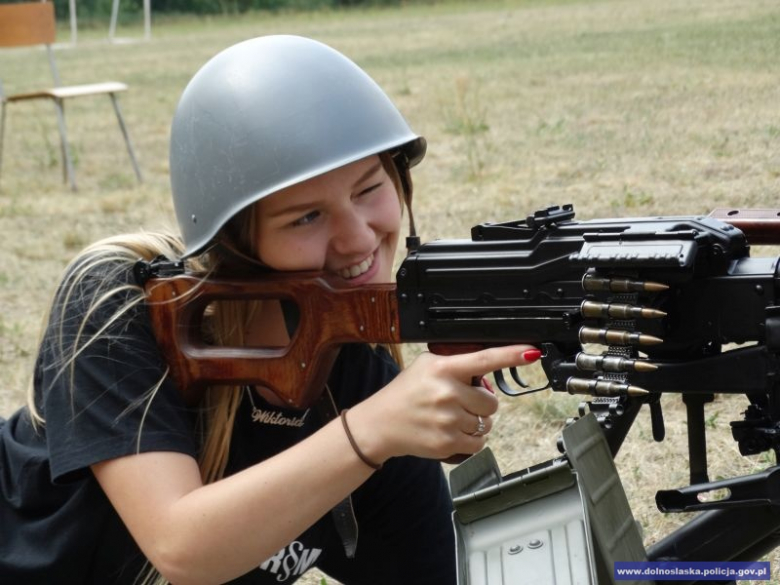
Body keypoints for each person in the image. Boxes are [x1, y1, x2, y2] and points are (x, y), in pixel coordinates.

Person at [0, 35, 540, 584]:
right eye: (306, 217)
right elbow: (181, 547)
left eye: (369, 188)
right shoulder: (119, 300)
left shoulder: (362, 384)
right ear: (236, 241)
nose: (357, 239)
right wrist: (369, 432)